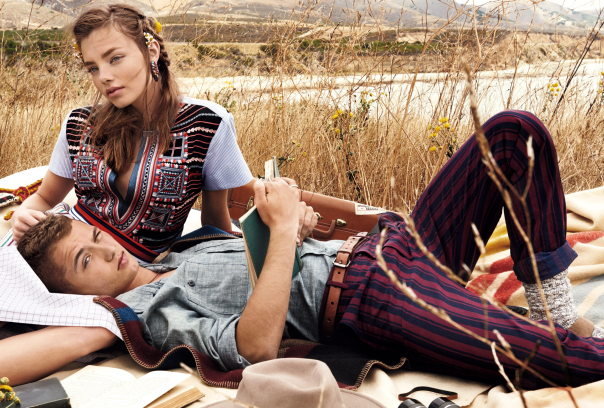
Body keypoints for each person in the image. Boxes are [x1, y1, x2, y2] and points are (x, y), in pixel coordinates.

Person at [6, 111, 604, 389]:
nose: (107, 250)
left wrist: (302, 228)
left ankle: (551, 307)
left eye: (95, 237)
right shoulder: (152, 312)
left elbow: (269, 260)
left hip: (391, 245)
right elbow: (255, 346)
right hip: (370, 298)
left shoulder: (176, 250)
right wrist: (284, 235)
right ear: (69, 293)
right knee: (571, 361)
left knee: (512, 134)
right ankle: (557, 334)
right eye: (86, 262)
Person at [9, 4, 261, 261]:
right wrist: (23, 215)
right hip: (62, 252)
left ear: (151, 51)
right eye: (92, 68)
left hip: (138, 271)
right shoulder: (80, 123)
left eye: (115, 58)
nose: (103, 77)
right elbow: (44, 198)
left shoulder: (207, 124)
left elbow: (214, 223)